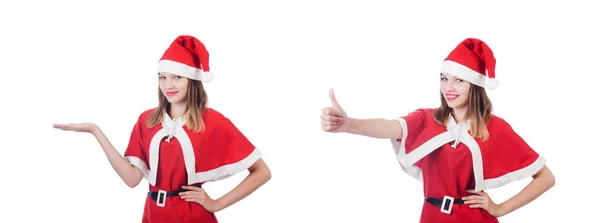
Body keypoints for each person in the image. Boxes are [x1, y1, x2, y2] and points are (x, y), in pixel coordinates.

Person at [320, 38, 555, 222]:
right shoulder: (427, 119)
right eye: (444, 79)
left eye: (458, 80)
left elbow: (545, 177)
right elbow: (390, 127)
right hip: (431, 217)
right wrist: (349, 124)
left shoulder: (495, 128)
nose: (448, 88)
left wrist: (500, 208)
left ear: (474, 86)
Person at [53, 35, 271, 223]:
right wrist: (95, 131)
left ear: (192, 80)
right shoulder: (146, 120)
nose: (168, 85)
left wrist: (216, 204)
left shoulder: (212, 120)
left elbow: (262, 172)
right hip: (153, 214)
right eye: (163, 77)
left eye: (177, 77)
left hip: (191, 216)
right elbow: (132, 180)